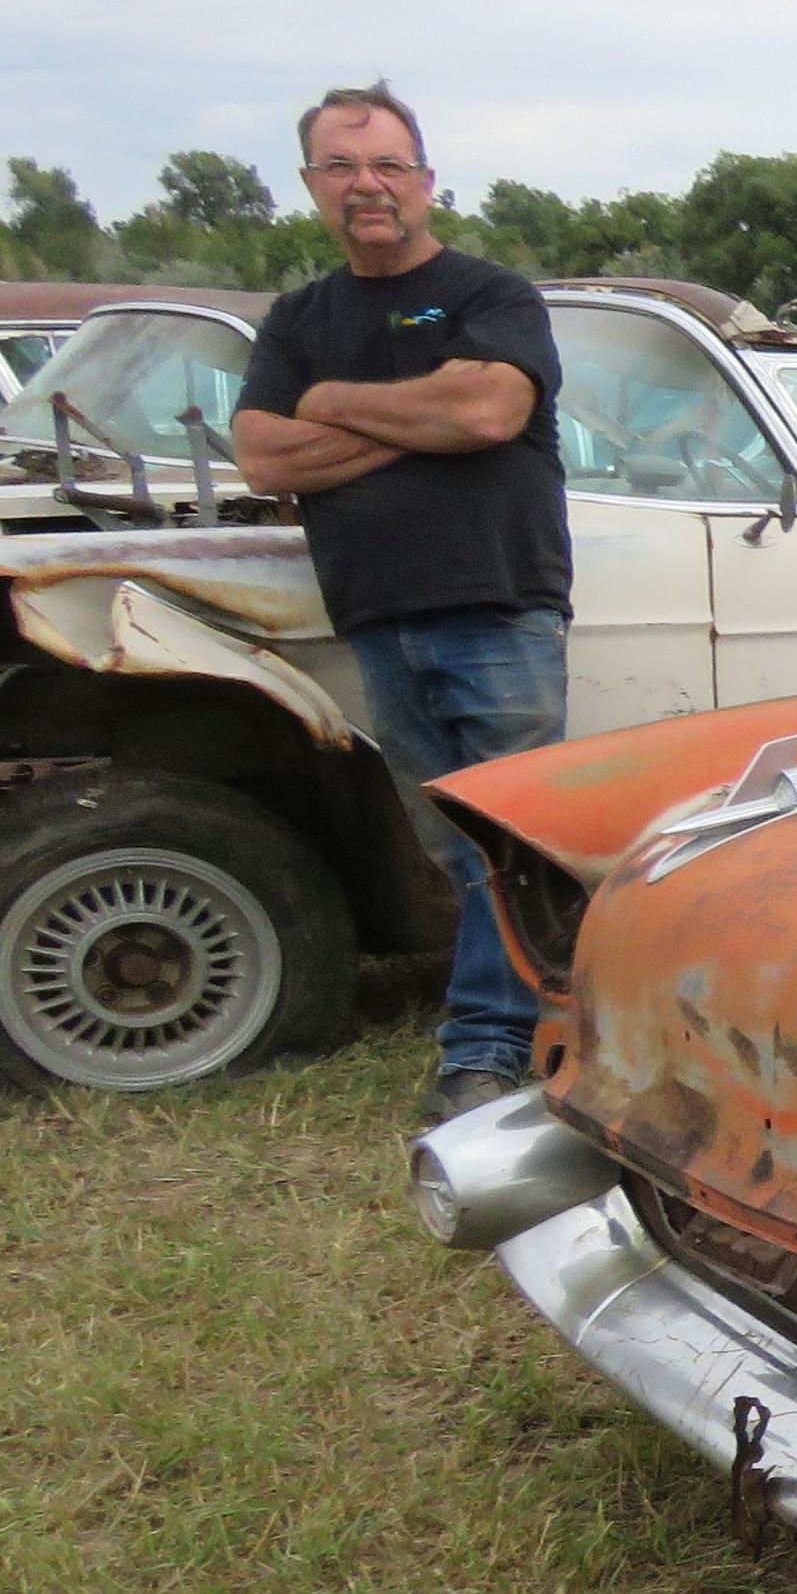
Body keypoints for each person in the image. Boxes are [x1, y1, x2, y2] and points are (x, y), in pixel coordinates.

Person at [231, 82, 570, 1124]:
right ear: (312, 187)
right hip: (378, 613)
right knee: (459, 850)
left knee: (508, 840)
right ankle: (562, 1014)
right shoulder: (300, 318)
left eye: (387, 165)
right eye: (342, 167)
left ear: (424, 180)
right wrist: (411, 417)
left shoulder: (492, 294)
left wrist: (330, 407)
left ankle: (480, 1052)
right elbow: (258, 455)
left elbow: (489, 406)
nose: (367, 185)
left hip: (498, 601)